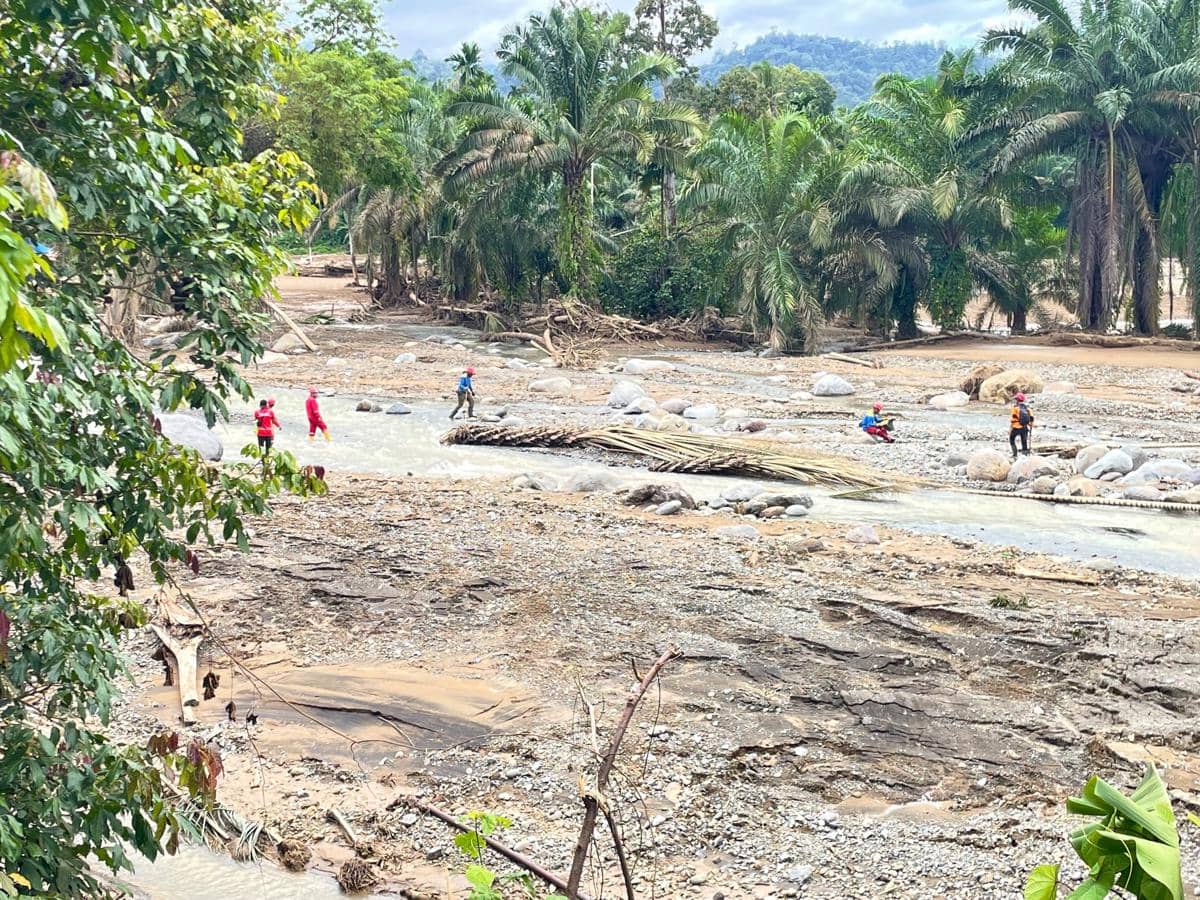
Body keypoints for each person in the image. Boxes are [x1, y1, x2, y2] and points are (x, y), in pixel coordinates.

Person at [1009, 392, 1034, 458]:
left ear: (1017, 400)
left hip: (1016, 428)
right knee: (1024, 441)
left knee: (1011, 439)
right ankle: (1025, 456)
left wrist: (1010, 429)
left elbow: (1013, 419)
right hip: (1024, 428)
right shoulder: (1028, 409)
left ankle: (1015, 455)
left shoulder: (1015, 408)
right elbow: (1031, 419)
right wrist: (1030, 427)